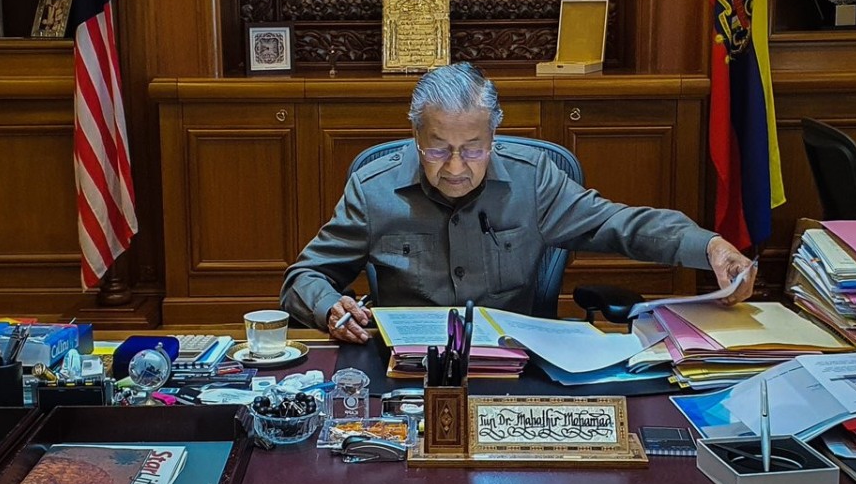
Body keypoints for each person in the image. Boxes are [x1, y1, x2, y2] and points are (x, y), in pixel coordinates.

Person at [281, 62, 756, 343]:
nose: (455, 167)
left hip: (517, 366)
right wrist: (330, 307)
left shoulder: (534, 181)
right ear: (415, 135)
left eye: (473, 149)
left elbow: (621, 224)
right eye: (438, 149)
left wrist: (709, 245)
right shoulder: (374, 189)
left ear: (494, 136)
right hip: (410, 370)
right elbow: (304, 277)